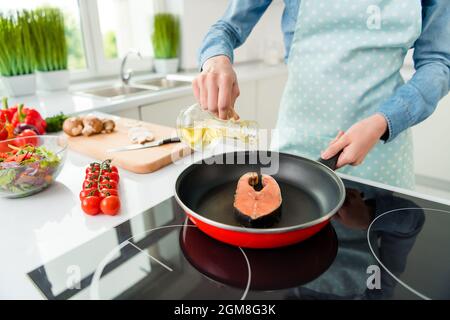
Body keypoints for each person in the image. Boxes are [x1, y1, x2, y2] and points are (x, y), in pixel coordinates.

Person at [193, 0, 450, 189]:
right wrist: (215, 60)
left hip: (382, 150)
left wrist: (383, 122)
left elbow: (438, 63)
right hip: (298, 151)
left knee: (379, 256)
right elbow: (226, 28)